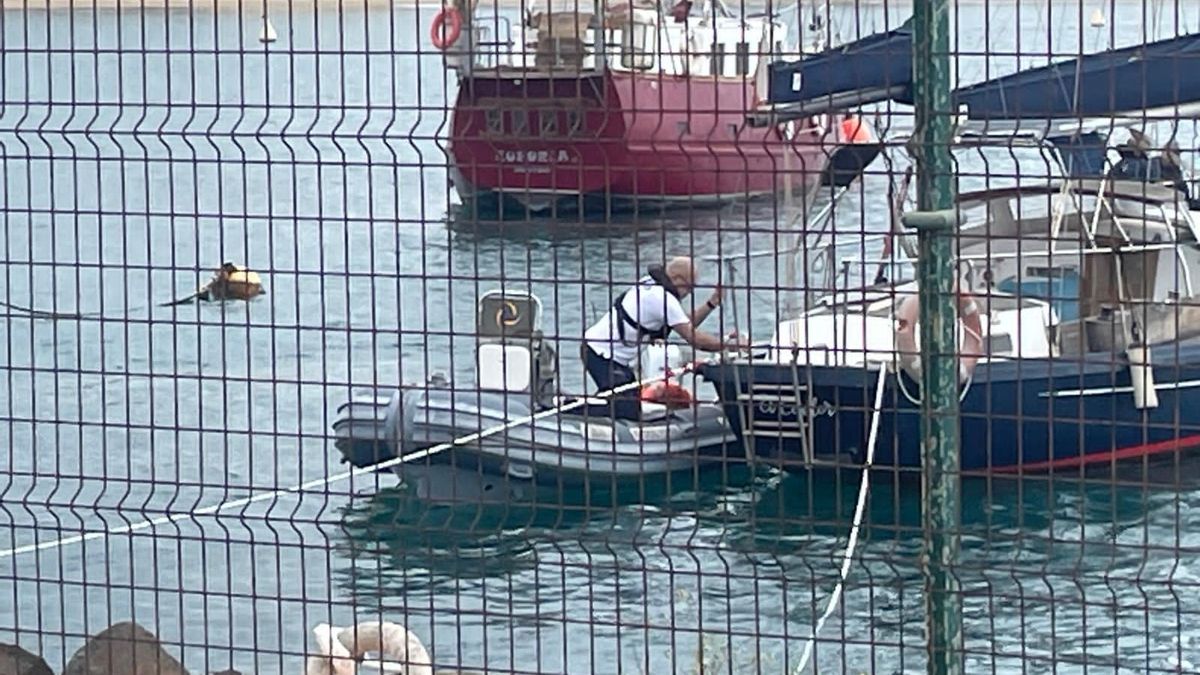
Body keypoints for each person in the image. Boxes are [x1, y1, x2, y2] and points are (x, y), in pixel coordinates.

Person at [581, 256, 750, 418]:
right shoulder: (661, 298)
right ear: (676, 279)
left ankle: (591, 404)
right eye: (689, 287)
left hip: (613, 357)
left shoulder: (651, 284)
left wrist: (711, 304)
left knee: (627, 402)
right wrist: (728, 344)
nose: (689, 293)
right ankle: (570, 408)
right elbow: (693, 338)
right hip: (600, 354)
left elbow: (683, 324)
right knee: (626, 411)